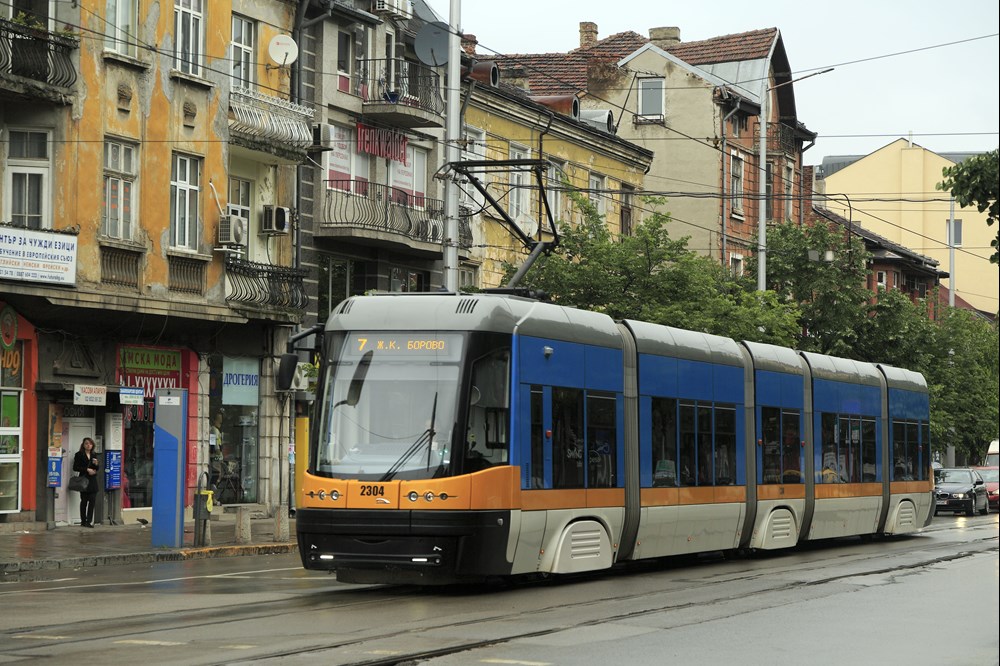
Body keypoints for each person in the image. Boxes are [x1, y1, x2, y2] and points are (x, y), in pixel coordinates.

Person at [72, 437, 100, 527]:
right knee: (84, 501)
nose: (89, 445)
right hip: (83, 480)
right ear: (83, 445)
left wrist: (96, 465)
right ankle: (83, 521)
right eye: (87, 443)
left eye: (90, 444)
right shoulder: (79, 454)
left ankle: (89, 521)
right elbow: (75, 467)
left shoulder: (94, 455)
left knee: (92, 501)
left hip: (92, 480)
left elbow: (97, 469)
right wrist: (87, 469)